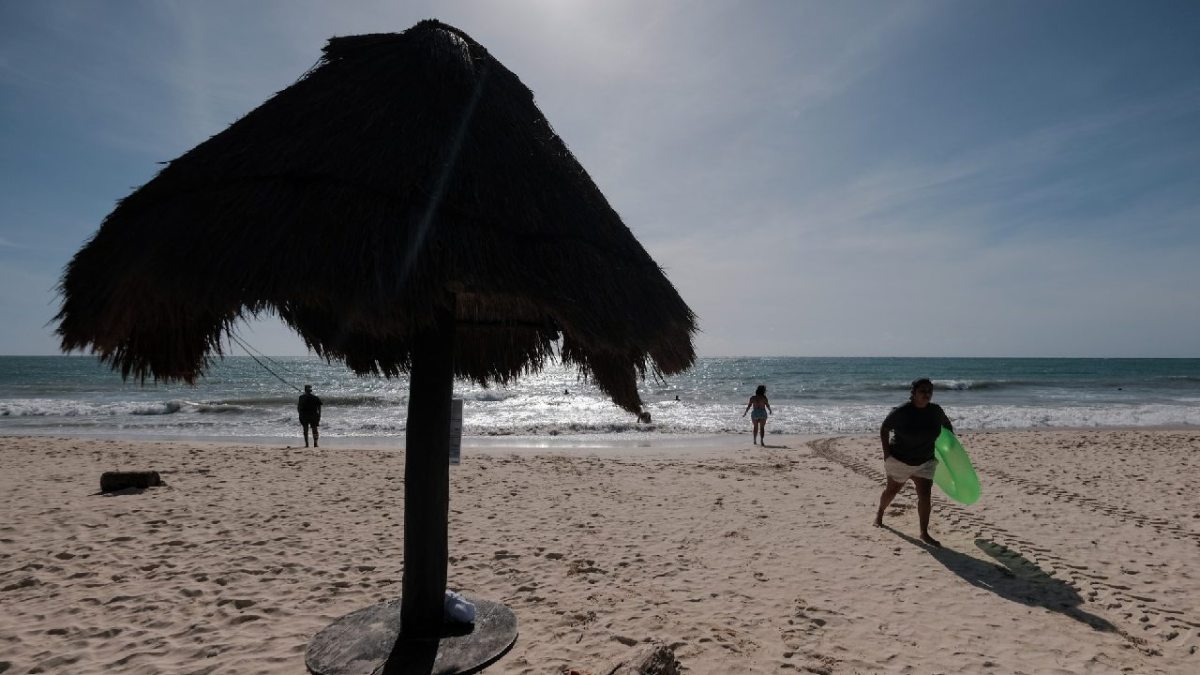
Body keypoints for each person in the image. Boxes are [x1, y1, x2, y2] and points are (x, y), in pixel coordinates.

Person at [875, 378, 953, 547]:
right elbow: (884, 428)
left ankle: (924, 533)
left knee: (925, 496)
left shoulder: (935, 411)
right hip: (900, 460)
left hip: (925, 461)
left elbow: (946, 425)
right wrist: (886, 453)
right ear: (913, 393)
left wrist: (949, 445)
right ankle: (880, 513)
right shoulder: (902, 411)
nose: (927, 394)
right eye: (922, 391)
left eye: (929, 391)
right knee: (892, 491)